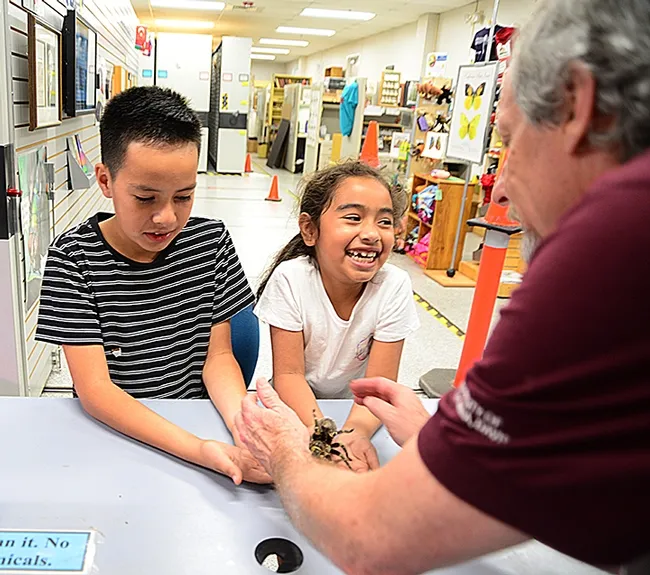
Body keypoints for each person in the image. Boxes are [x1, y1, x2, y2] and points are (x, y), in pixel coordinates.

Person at [235, 0, 650, 572]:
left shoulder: (612, 246)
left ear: (577, 106)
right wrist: (441, 437)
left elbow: (372, 538)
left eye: (506, 141)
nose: (499, 188)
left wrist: (285, 449)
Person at [36, 86, 269, 486]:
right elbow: (96, 391)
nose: (166, 217)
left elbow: (219, 358)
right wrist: (199, 450)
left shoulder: (210, 242)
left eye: (184, 196)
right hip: (115, 433)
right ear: (106, 181)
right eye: (145, 198)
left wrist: (241, 427)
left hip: (196, 421)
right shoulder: (72, 260)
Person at [254, 162, 419, 472]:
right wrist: (322, 436)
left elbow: (379, 384)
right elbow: (289, 376)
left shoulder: (393, 285)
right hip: (295, 404)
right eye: (353, 218)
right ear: (310, 230)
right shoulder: (291, 279)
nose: (371, 234)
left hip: (359, 409)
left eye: (384, 221)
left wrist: (354, 435)